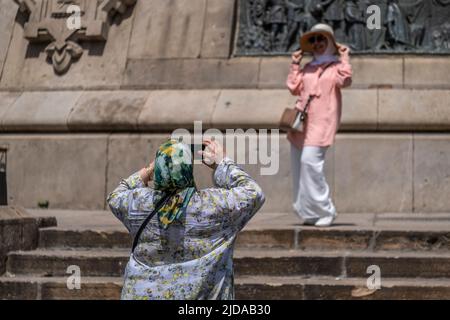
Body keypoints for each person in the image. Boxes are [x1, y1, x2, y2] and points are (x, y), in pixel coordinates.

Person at [107, 138, 265, 300]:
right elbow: (254, 193)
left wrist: (149, 169)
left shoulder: (138, 203)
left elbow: (116, 195)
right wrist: (223, 163)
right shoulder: (214, 205)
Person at [286, 23, 352, 227]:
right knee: (299, 166)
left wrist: (344, 58)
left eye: (322, 39)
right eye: (313, 40)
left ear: (331, 41)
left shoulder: (336, 67)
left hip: (323, 121)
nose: (317, 44)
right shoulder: (309, 67)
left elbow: (346, 80)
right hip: (302, 124)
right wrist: (295, 64)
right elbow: (294, 87)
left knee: (310, 162)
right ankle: (308, 211)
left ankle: (326, 209)